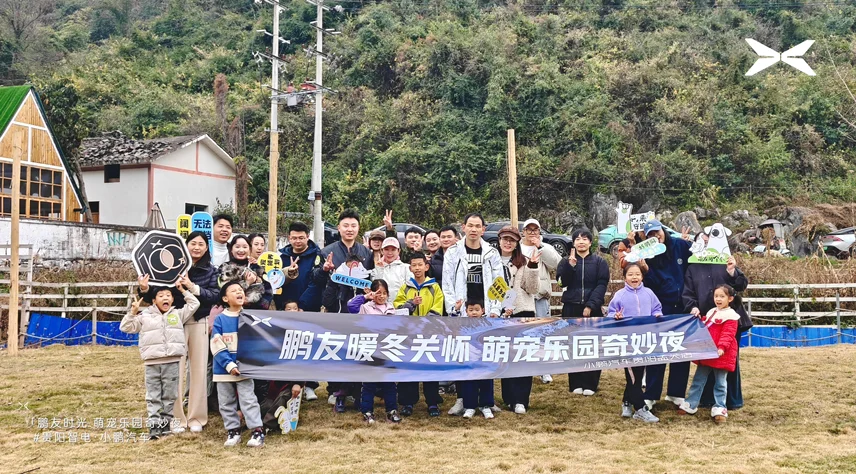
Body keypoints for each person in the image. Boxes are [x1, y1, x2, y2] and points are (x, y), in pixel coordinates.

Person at [120, 283, 199, 439]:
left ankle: (165, 426)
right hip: (152, 363)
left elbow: (194, 303)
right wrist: (132, 313)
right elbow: (125, 327)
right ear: (154, 300)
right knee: (153, 396)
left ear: (172, 299)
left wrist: (183, 290)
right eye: (161, 296)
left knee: (170, 395)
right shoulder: (145, 316)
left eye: (168, 295)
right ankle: (154, 428)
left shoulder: (178, 314)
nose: (165, 298)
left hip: (172, 361)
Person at [443, 213, 504, 416]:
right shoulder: (453, 251)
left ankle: (487, 401)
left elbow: (499, 281)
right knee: (463, 357)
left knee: (486, 356)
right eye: (470, 225)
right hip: (463, 312)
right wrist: (453, 308)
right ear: (463, 227)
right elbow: (447, 282)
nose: (474, 229)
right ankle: (463, 400)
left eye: (478, 226)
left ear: (483, 230)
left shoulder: (491, 252)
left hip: (485, 313)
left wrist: (495, 309)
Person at [683, 254, 750, 410]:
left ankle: (730, 400)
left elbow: (741, 285)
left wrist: (732, 271)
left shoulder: (724, 260)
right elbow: (688, 293)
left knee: (728, 360)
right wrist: (692, 306)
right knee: (705, 362)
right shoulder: (692, 267)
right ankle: (705, 399)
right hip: (707, 321)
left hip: (729, 319)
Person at [640, 219, 693, 409]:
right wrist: (646, 270)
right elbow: (649, 284)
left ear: (663, 230)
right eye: (651, 235)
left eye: (657, 232)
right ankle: (651, 394)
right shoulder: (647, 254)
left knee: (681, 350)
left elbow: (695, 264)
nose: (656, 236)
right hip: (661, 308)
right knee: (657, 351)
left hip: (684, 306)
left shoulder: (681, 245)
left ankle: (676, 393)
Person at [211, 281, 265, 447]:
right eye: (234, 291)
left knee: (248, 400)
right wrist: (229, 365)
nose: (239, 292)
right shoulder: (220, 319)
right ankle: (233, 431)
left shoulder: (249, 318)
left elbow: (256, 343)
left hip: (244, 368)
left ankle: (257, 431)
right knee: (226, 402)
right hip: (223, 370)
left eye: (240, 290)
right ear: (225, 298)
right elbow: (216, 344)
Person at [606, 263, 662, 423]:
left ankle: (626, 402)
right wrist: (615, 316)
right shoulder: (620, 295)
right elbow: (610, 313)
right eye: (630, 274)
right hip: (627, 342)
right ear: (625, 277)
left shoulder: (649, 293)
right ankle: (640, 408)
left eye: (637, 274)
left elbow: (657, 308)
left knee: (638, 374)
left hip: (644, 341)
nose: (634, 277)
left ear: (642, 276)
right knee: (632, 376)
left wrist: (657, 314)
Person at [557, 228, 609, 396]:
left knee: (593, 346)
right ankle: (575, 383)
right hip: (571, 308)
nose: (581, 242)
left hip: (592, 309)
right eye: (577, 239)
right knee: (573, 345)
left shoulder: (600, 262)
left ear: (590, 242)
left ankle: (590, 383)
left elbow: (602, 285)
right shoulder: (565, 261)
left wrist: (590, 305)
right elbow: (561, 283)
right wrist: (570, 267)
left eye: (584, 239)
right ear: (573, 243)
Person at [678, 284, 741, 424]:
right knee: (698, 379)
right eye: (716, 296)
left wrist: (722, 347)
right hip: (707, 352)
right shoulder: (712, 311)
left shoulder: (731, 316)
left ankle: (720, 407)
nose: (718, 299)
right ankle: (691, 403)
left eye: (722, 296)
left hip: (721, 354)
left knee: (720, 383)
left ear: (730, 299)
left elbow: (728, 334)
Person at [496, 226, 540, 414]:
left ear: (517, 243)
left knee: (523, 356)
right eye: (505, 239)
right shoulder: (491, 260)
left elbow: (532, 289)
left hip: (523, 312)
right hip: (501, 313)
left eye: (512, 240)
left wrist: (532, 267)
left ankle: (521, 399)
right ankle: (508, 398)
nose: (508, 243)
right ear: (499, 240)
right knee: (505, 357)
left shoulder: (525, 262)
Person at [393, 254, 444, 417]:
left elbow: (438, 307)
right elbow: (398, 307)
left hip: (429, 334)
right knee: (408, 368)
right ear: (410, 268)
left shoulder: (434, 287)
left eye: (420, 265)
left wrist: (425, 324)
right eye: (414, 265)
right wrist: (411, 304)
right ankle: (407, 402)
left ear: (426, 267)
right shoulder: (405, 288)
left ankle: (433, 402)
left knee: (430, 368)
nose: (417, 268)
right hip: (409, 334)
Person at [353, 280, 402, 424]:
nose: (382, 296)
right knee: (369, 382)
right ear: (373, 293)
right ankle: (367, 411)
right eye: (379, 293)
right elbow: (351, 307)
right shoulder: (366, 307)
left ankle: (392, 410)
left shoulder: (391, 308)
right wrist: (366, 297)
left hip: (387, 348)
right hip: (370, 348)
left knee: (389, 383)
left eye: (385, 293)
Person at [520, 218, 562, 385]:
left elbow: (557, 264)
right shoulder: (517, 247)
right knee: (522, 333)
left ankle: (544, 369)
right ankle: (524, 366)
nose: (532, 233)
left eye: (535, 229)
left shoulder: (545, 247)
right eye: (529, 230)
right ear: (523, 232)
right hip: (521, 297)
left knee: (543, 332)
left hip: (540, 295)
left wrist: (540, 247)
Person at [314, 209, 374, 313]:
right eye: (346, 226)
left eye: (353, 226)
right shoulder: (326, 252)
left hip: (361, 309)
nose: (350, 229)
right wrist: (324, 270)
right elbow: (315, 279)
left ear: (358, 228)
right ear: (339, 228)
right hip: (335, 309)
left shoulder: (367, 253)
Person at [458, 300, 496, 419]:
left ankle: (486, 406)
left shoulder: (487, 323)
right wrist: (456, 310)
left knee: (486, 382)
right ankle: (470, 407)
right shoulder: (463, 323)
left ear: (482, 310)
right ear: (466, 311)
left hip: (484, 359)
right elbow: (451, 325)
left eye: (477, 310)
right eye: (471, 310)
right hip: (469, 359)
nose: (474, 312)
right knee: (469, 383)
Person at [276, 221, 325, 311]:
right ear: (289, 238)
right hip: (286, 309)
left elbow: (315, 284)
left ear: (307, 237)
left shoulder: (317, 256)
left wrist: (302, 305)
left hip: (309, 309)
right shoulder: (282, 258)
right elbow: (277, 282)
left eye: (301, 238)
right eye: (294, 238)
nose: (298, 241)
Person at [218, 235, 273, 311]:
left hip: (254, 312)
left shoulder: (257, 268)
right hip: (230, 311)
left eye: (245, 247)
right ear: (231, 249)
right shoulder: (224, 267)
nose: (241, 250)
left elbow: (268, 292)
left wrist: (255, 306)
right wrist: (247, 283)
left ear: (250, 249)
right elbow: (221, 291)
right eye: (237, 247)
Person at [371, 237, 413, 303]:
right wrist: (379, 269)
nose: (390, 253)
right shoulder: (376, 270)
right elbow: (375, 288)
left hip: (401, 306)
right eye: (386, 249)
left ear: (398, 251)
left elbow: (411, 289)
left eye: (393, 250)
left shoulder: (406, 268)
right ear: (382, 251)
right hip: (381, 307)